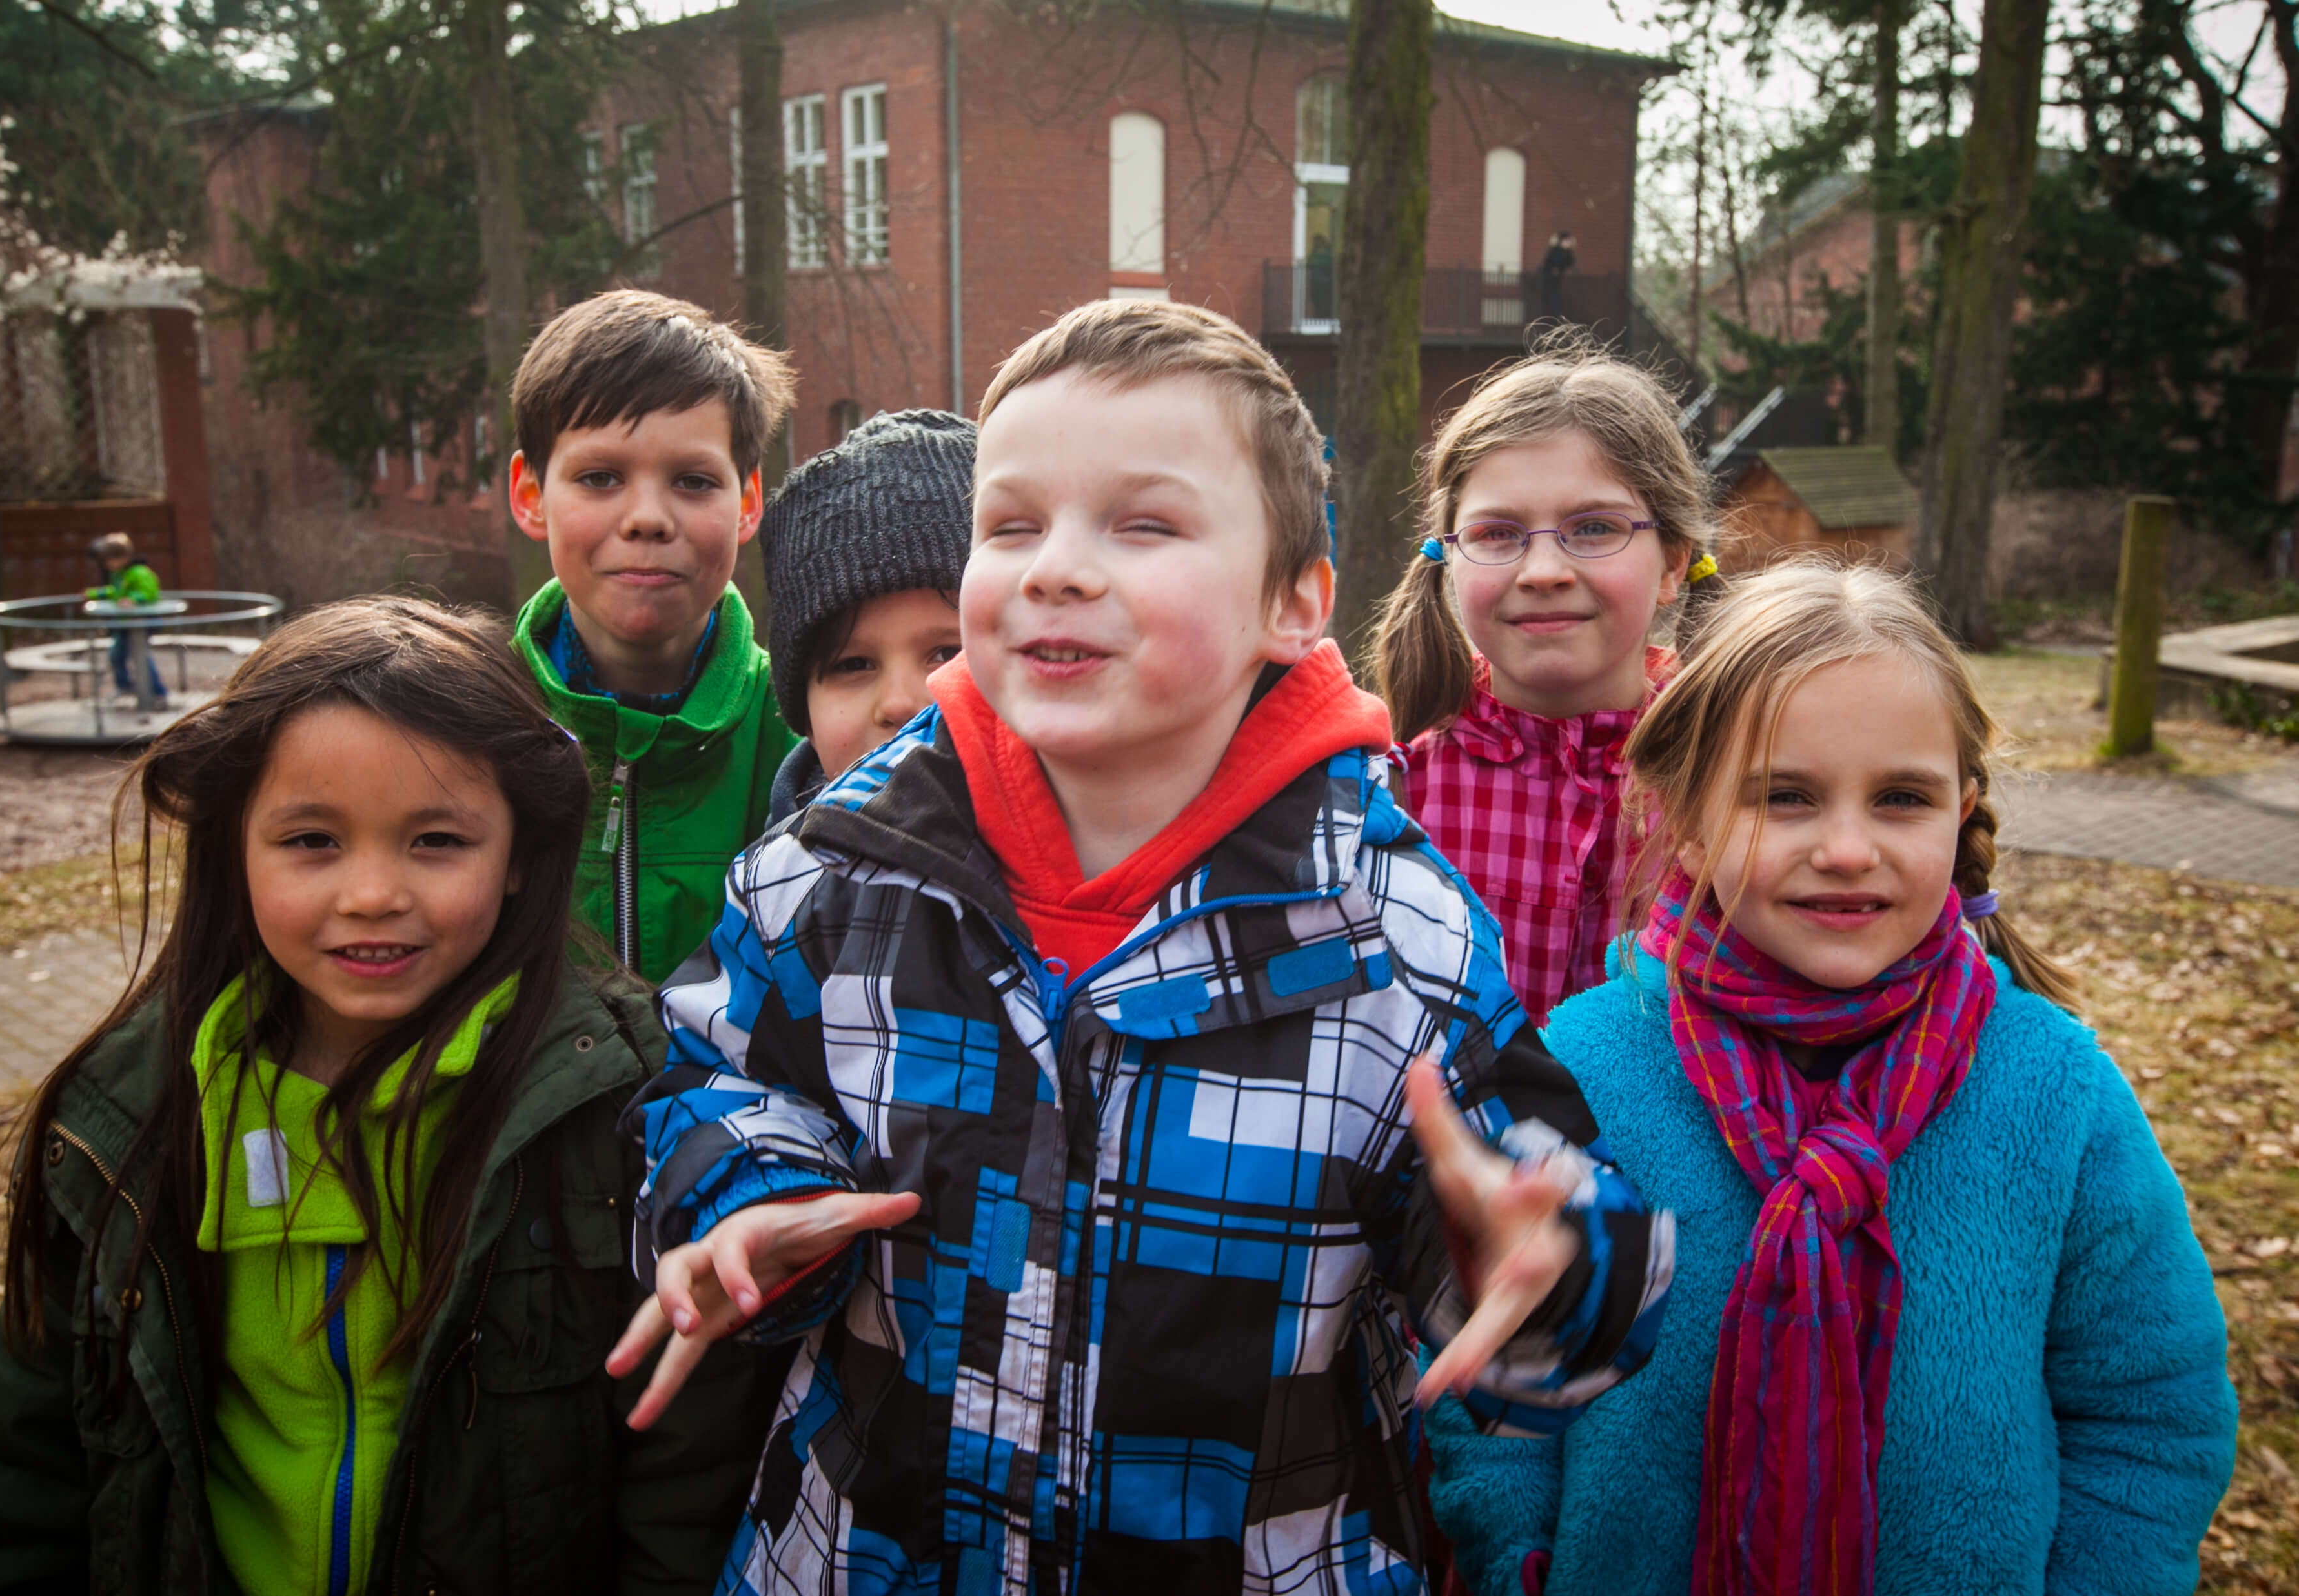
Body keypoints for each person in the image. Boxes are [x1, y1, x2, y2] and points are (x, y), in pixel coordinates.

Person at [606, 299, 1675, 1592]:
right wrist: (744, 1190)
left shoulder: (1387, 930)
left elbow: (1527, 1215)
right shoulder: (837, 868)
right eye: (1011, 526)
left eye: (1143, 524)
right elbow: (714, 1072)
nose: (1055, 566)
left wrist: (1545, 1253)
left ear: (1295, 601)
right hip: (856, 1555)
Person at [1425, 562, 2238, 1595]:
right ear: (1684, 816)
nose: (1846, 849)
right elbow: (1496, 1408)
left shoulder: (2055, 1092)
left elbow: (2149, 1418)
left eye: (1900, 799)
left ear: (1962, 809)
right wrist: (1525, 1562)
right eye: (1785, 798)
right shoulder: (1582, 1069)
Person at [0, 598, 773, 1595]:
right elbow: (27, 1479)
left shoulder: (627, 1111)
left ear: (517, 856)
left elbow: (685, 1491)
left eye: (434, 841)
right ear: (234, 848)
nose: (373, 893)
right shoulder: (121, 1119)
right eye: (311, 841)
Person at [1372, 339, 1727, 1028]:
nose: (1541, 570)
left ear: (1672, 565)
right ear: (1447, 557)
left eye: (1592, 528)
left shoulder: (1730, 782)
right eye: (1498, 533)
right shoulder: (1389, 794)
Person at [508, 288, 800, 982]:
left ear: (748, 502)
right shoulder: (467, 728)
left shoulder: (800, 740)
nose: (647, 518)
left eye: (693, 481)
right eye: (600, 477)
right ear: (530, 495)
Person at [758, 409, 975, 823]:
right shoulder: (773, 883)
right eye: (853, 664)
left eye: (948, 654)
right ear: (806, 721)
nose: (900, 704)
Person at [87, 530, 168, 703]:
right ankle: (124, 685)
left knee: (141, 656)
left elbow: (150, 592)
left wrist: (134, 599)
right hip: (125, 623)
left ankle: (158, 692)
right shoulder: (120, 574)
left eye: (109, 560)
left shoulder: (139, 572)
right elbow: (116, 592)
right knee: (116, 655)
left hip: (142, 622)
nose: (107, 565)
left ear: (121, 557)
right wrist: (96, 594)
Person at [1534, 232, 1575, 322]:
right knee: (1550, 300)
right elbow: (1552, 262)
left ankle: (1556, 318)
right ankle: (1550, 318)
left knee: (1554, 300)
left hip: (1555, 282)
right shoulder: (1555, 251)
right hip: (1548, 280)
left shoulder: (1567, 253)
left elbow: (1569, 263)